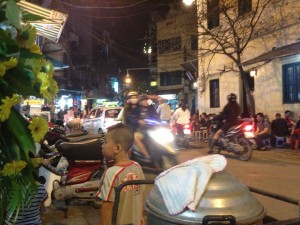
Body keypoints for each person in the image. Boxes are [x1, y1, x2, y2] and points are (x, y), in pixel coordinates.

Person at [97, 123, 145, 225]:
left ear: (117, 148)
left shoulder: (111, 173)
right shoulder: (137, 167)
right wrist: (140, 216)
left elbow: (107, 205)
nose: (102, 145)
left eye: (105, 142)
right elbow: (140, 195)